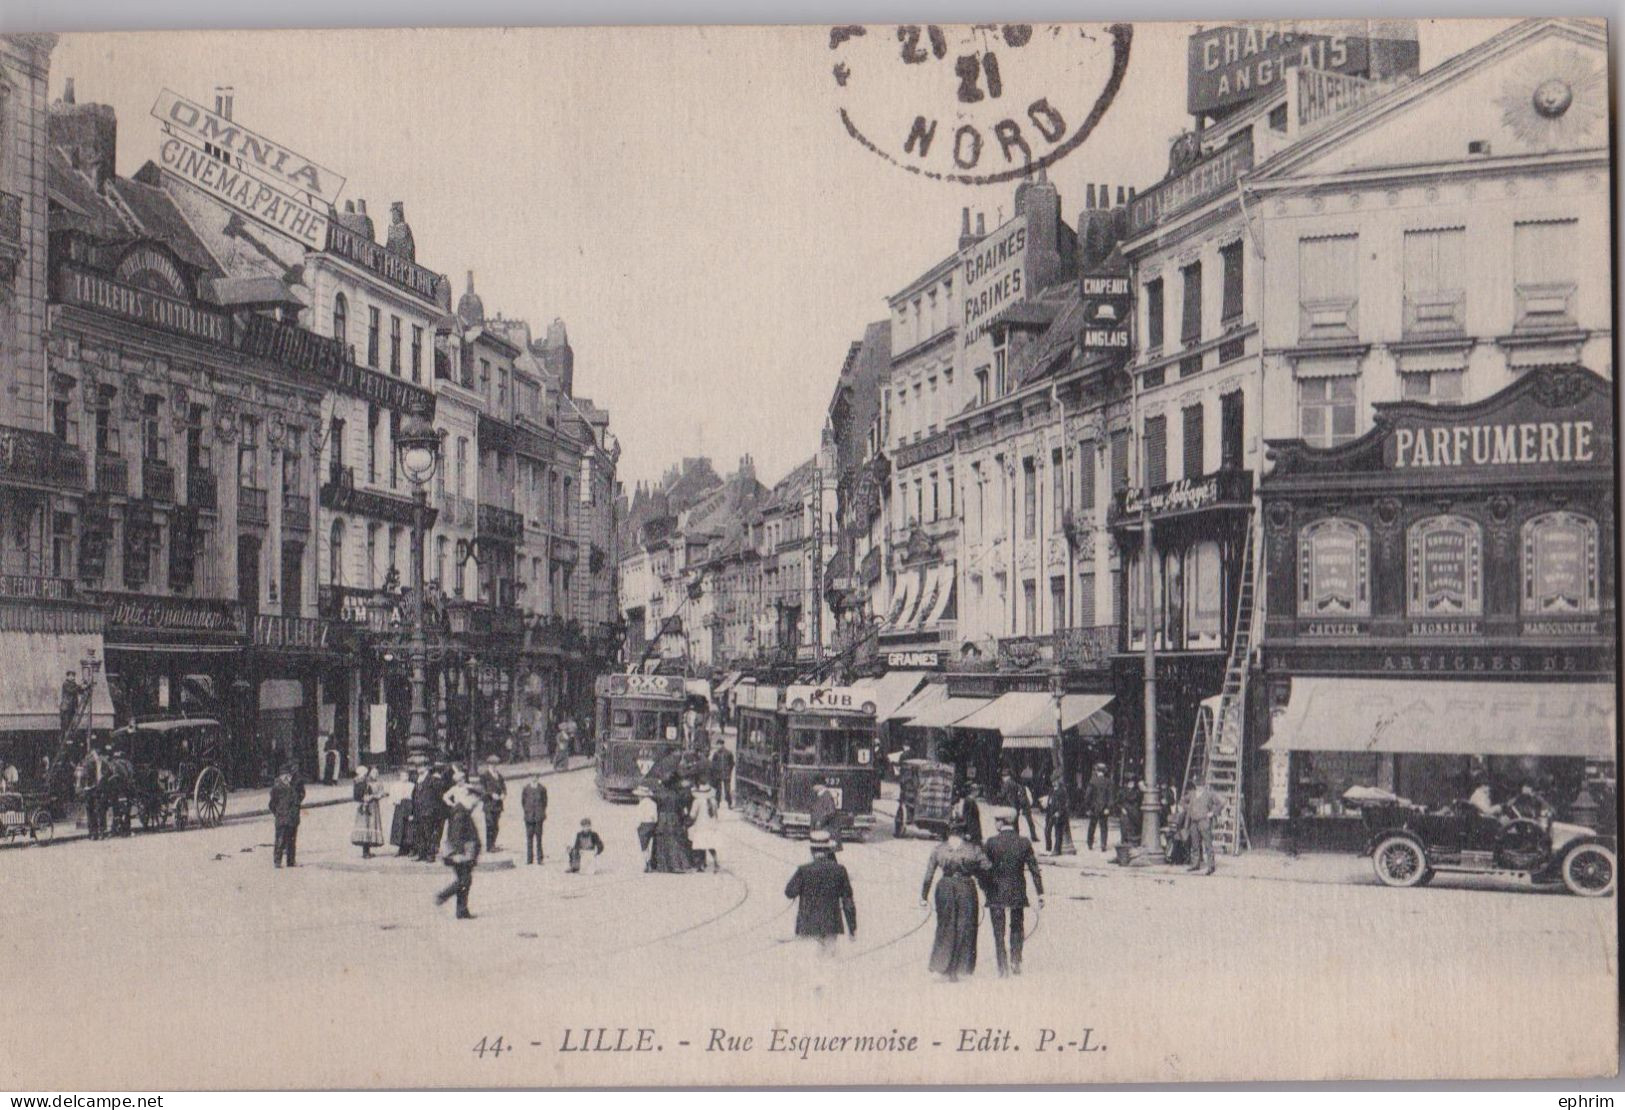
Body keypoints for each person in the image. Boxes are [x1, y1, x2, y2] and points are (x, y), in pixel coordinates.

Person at [921, 822, 990, 982]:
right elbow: (986, 868)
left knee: (945, 925)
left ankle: (941, 966)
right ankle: (960, 968)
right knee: (965, 926)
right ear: (964, 833)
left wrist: (923, 896)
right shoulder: (973, 849)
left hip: (944, 887)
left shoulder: (939, 849)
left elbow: (928, 875)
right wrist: (986, 888)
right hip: (966, 887)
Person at [982, 813, 1044, 976]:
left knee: (998, 930)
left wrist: (985, 888)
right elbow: (1034, 869)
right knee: (1017, 926)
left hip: (995, 891)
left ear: (1001, 823)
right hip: (1017, 890)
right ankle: (1016, 961)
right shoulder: (1024, 842)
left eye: (996, 820)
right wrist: (1040, 893)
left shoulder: (991, 842)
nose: (995, 824)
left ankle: (1002, 967)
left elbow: (983, 869)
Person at [784, 829, 857, 957]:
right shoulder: (839, 870)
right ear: (829, 850)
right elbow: (848, 903)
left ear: (812, 850)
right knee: (827, 966)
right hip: (831, 927)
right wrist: (852, 928)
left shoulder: (804, 870)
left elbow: (789, 892)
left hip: (807, 926)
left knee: (807, 966)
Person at [435, 786, 481, 919]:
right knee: (464, 880)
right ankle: (443, 895)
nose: (476, 804)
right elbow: (456, 835)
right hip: (462, 854)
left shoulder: (463, 810)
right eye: (475, 800)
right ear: (469, 797)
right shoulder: (460, 812)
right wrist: (458, 854)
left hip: (465, 854)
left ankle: (462, 911)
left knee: (465, 881)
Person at [269, 766, 305, 868]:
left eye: (288, 776)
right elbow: (272, 803)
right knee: (280, 840)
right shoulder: (277, 787)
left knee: (292, 841)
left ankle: (291, 861)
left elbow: (302, 794)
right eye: (284, 776)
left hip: (293, 817)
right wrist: (278, 813)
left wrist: (297, 804)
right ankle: (277, 861)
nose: (286, 778)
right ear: (280, 777)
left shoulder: (296, 784)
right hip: (282, 817)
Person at [1185, 781, 1221, 875]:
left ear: (1204, 785)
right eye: (1197, 784)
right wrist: (1189, 809)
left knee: (1208, 844)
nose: (1199, 786)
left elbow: (1220, 803)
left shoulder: (1209, 794)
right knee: (1195, 844)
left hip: (1204, 821)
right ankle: (1195, 864)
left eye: (1200, 784)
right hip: (1194, 822)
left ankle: (1211, 866)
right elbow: (1183, 801)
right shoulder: (1192, 794)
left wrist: (1212, 813)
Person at [350, 765, 385, 859]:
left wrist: (376, 796)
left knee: (371, 826)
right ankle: (365, 852)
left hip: (373, 807)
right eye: (373, 773)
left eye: (377, 773)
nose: (375, 775)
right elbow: (358, 794)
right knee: (365, 826)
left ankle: (368, 850)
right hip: (365, 807)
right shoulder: (363, 782)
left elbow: (381, 792)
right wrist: (365, 799)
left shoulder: (374, 782)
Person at [688, 781, 721, 873]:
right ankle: (716, 862)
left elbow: (692, 815)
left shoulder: (697, 801)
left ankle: (700, 865)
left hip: (700, 826)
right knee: (711, 846)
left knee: (700, 846)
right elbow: (716, 814)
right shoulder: (713, 801)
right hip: (711, 826)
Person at [1083, 763, 1114, 853]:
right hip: (1104, 808)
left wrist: (1087, 808)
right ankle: (1103, 845)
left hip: (1094, 808)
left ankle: (1090, 843)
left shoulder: (1092, 781)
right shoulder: (1109, 782)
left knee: (1092, 826)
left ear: (1097, 771)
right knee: (1104, 827)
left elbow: (1087, 796)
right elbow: (1110, 796)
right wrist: (1108, 808)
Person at [479, 755, 507, 851]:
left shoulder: (499, 776)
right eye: (492, 765)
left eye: (496, 765)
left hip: (498, 805)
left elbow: (504, 788)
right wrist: (491, 794)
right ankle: (489, 846)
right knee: (490, 825)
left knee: (496, 826)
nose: (494, 767)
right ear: (488, 765)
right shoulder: (484, 776)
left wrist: (503, 794)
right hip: (489, 804)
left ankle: (493, 844)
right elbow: (482, 790)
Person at [1000, 771, 1038, 842]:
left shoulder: (1006, 784)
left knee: (1015, 822)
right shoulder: (1016, 784)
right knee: (1030, 821)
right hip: (1023, 804)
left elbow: (1002, 795)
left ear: (1005, 777)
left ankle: (1016, 836)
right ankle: (1034, 836)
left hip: (1013, 805)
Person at [80, 746, 108, 841]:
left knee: (99, 811)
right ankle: (93, 832)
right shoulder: (88, 764)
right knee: (90, 811)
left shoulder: (103, 764)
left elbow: (105, 776)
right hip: (90, 789)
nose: (94, 756)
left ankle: (101, 832)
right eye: (92, 754)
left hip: (98, 789)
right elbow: (84, 777)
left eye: (95, 754)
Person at [390, 768, 418, 857]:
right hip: (399, 806)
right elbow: (392, 796)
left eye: (406, 775)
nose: (404, 777)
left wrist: (412, 811)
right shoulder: (395, 785)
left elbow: (414, 798)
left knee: (409, 827)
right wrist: (395, 801)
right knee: (399, 826)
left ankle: (411, 848)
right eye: (402, 776)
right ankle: (401, 848)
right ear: (399, 776)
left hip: (409, 806)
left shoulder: (412, 785)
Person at [521, 776, 548, 865]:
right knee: (529, 838)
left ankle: (540, 859)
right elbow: (523, 802)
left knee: (539, 838)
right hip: (529, 817)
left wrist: (540, 812)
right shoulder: (526, 789)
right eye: (532, 777)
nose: (534, 778)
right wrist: (527, 811)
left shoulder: (542, 788)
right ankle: (529, 859)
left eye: (536, 777)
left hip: (538, 817)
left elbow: (545, 802)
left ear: (538, 778)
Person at [1044, 777, 1075, 856]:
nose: (1054, 782)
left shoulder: (1062, 791)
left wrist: (1059, 812)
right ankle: (1048, 847)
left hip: (1059, 814)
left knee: (1058, 832)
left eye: (1056, 781)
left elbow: (1065, 804)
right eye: (1053, 781)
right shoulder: (1052, 790)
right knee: (1047, 830)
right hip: (1050, 813)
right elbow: (1050, 801)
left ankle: (1057, 850)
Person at [634, 786, 659, 870]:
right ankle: (650, 862)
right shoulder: (653, 803)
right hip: (652, 824)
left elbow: (639, 817)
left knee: (644, 846)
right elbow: (655, 817)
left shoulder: (641, 804)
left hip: (644, 824)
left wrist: (637, 826)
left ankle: (647, 863)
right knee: (650, 844)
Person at [709, 741, 735, 809]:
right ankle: (717, 803)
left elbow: (732, 763)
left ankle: (729, 803)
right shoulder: (716, 754)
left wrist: (729, 770)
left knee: (727, 790)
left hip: (726, 774)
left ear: (723, 745)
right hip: (718, 774)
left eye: (720, 745)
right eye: (718, 745)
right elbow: (713, 763)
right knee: (718, 790)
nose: (719, 746)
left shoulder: (728, 753)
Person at [59, 671, 81, 736]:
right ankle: (63, 736)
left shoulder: (74, 684)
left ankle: (69, 735)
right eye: (71, 676)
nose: (72, 677)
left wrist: (83, 687)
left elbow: (79, 691)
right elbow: (71, 691)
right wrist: (79, 686)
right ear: (67, 676)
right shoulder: (66, 684)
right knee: (65, 723)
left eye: (73, 676)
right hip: (66, 707)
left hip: (72, 706)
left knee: (71, 722)